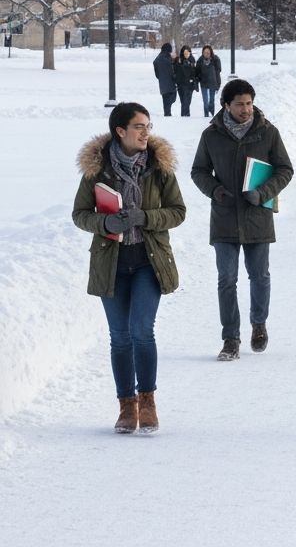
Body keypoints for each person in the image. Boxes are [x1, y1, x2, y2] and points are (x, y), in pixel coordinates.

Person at [72, 102, 186, 434]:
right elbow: (80, 214)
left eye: (148, 126)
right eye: (139, 127)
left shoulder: (159, 167)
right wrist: (105, 221)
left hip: (149, 262)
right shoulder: (97, 170)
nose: (146, 133)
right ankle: (126, 404)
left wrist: (145, 217)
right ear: (120, 131)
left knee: (141, 331)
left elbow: (178, 211)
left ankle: (147, 400)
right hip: (112, 264)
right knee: (119, 337)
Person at [190, 78, 294, 361]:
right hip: (224, 217)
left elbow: (285, 169)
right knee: (226, 279)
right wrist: (214, 190)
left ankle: (258, 324)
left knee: (259, 275)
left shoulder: (267, 133)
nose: (246, 109)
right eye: (239, 104)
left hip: (257, 216)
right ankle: (230, 339)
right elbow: (198, 170)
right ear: (226, 105)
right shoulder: (211, 135)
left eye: (249, 103)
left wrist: (263, 193)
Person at [196, 45, 222, 118]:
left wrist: (218, 83)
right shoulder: (200, 60)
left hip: (212, 83)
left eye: (208, 52)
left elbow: (218, 72)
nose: (206, 54)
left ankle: (212, 114)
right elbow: (197, 72)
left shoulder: (215, 59)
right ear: (203, 53)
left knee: (211, 101)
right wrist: (197, 80)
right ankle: (206, 115)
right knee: (205, 102)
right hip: (203, 83)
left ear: (211, 52)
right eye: (205, 52)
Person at [173, 44, 198, 117]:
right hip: (181, 84)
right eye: (185, 53)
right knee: (183, 101)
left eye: (187, 53)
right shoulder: (179, 60)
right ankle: (185, 116)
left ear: (190, 53)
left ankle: (185, 115)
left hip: (190, 84)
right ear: (182, 53)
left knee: (187, 101)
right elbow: (175, 71)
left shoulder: (192, 60)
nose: (186, 55)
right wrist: (179, 64)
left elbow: (194, 72)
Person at [152, 43, 176, 117]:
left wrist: (160, 77)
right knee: (172, 97)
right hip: (171, 81)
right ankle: (167, 114)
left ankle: (167, 113)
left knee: (165, 99)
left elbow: (156, 69)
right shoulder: (168, 58)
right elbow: (172, 69)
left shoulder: (158, 58)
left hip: (162, 83)